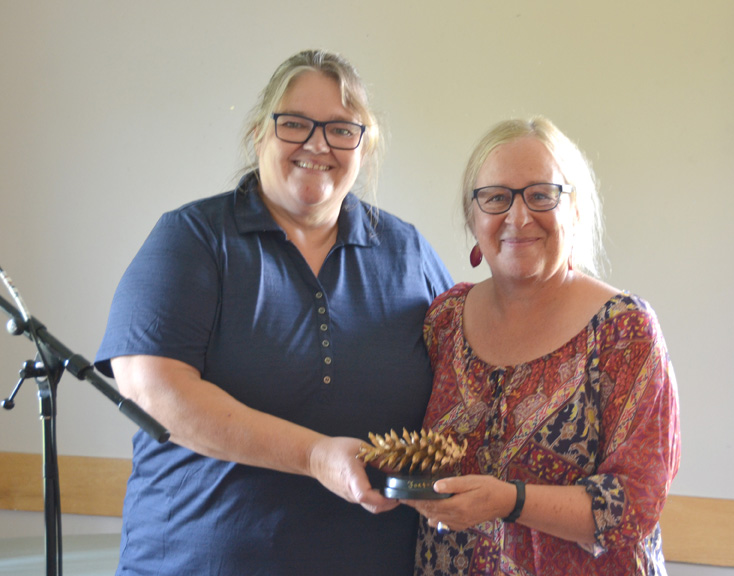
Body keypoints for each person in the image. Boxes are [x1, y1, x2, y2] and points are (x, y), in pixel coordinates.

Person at [95, 49, 452, 575]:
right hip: (200, 562)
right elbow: (153, 392)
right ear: (259, 134)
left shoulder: (408, 251)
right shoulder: (192, 239)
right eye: (295, 124)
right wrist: (314, 455)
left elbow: (467, 381)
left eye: (341, 129)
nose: (317, 144)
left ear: (364, 146)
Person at [402, 117, 680, 575]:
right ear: (474, 219)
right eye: (496, 197)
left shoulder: (624, 331)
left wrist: (509, 501)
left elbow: (635, 503)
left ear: (575, 210)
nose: (518, 217)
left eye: (541, 195)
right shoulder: (445, 321)